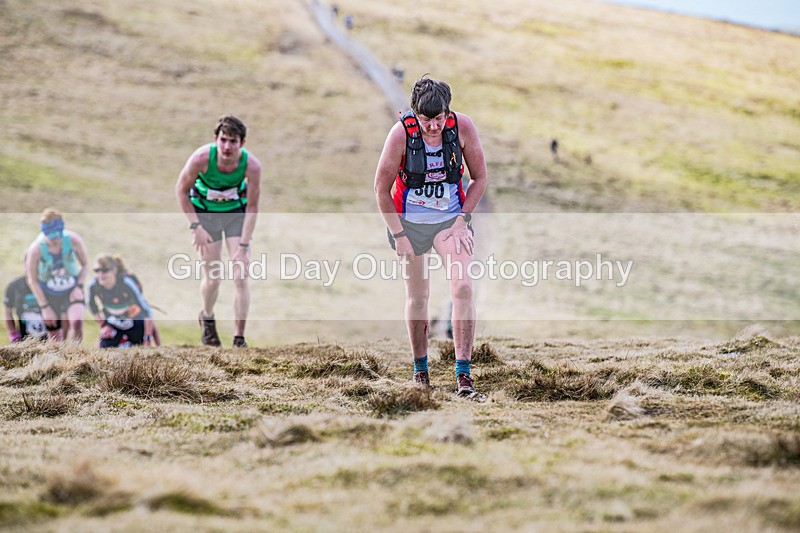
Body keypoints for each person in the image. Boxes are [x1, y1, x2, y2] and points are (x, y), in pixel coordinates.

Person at [374, 76, 487, 399]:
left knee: (463, 286)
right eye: (427, 120)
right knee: (418, 296)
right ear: (415, 114)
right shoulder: (400, 135)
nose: (434, 127)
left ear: (447, 113)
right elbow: (380, 190)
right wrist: (400, 236)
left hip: (450, 220)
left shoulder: (462, 127)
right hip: (409, 223)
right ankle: (420, 371)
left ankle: (463, 375)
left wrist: (463, 219)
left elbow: (479, 178)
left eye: (439, 119)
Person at [175, 115, 262, 348]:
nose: (227, 146)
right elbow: (181, 191)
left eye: (233, 141)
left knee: (241, 275)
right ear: (215, 139)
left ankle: (239, 338)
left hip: (235, 215)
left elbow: (253, 207)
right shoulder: (201, 158)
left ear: (242, 143)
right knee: (214, 278)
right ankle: (207, 316)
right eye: (223, 140)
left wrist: (243, 247)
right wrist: (195, 226)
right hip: (206, 216)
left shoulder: (252, 166)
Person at [25, 209, 90, 342]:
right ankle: (58, 360)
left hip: (72, 289)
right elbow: (32, 280)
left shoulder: (73, 240)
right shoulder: (35, 250)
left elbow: (86, 264)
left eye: (58, 234)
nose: (55, 238)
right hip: (49, 295)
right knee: (55, 336)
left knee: (77, 322)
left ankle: (77, 355)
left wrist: (79, 286)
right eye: (51, 235)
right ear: (44, 232)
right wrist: (45, 307)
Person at [86, 254, 155, 348]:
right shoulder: (93, 285)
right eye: (97, 270)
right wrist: (104, 325)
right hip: (113, 323)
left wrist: (147, 338)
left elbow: (146, 310)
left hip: (134, 323)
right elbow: (91, 306)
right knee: (103, 352)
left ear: (114, 270)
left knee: (141, 354)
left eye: (104, 270)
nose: (100, 274)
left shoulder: (126, 283)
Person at [4, 273, 47, 342]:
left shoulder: (48, 284)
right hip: (24, 338)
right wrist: (13, 333)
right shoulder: (14, 286)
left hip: (49, 337)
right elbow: (8, 312)